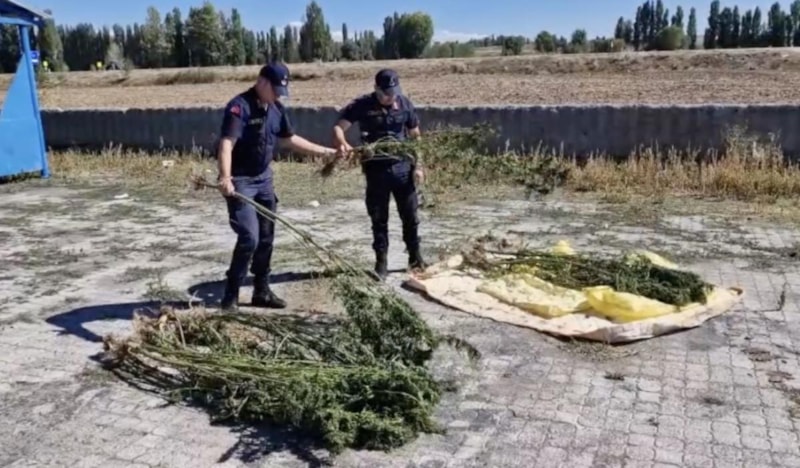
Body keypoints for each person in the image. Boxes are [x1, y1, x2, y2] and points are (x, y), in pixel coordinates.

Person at [217, 62, 340, 311]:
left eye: (280, 91)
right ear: (261, 82)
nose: (277, 96)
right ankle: (230, 295)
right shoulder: (239, 107)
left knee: (266, 237)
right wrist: (226, 177)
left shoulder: (276, 108)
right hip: (241, 181)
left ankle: (261, 291)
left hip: (264, 179)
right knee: (249, 237)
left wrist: (327, 152)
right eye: (274, 90)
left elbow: (290, 139)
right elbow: (227, 143)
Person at [332, 68, 426, 280]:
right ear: (376, 89)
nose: (391, 97)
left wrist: (419, 165)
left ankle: (415, 258)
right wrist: (344, 143)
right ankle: (381, 263)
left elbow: (415, 136)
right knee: (378, 219)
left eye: (394, 92)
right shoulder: (362, 105)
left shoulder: (405, 104)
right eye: (386, 93)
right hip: (376, 172)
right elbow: (339, 127)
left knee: (410, 216)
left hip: (403, 170)